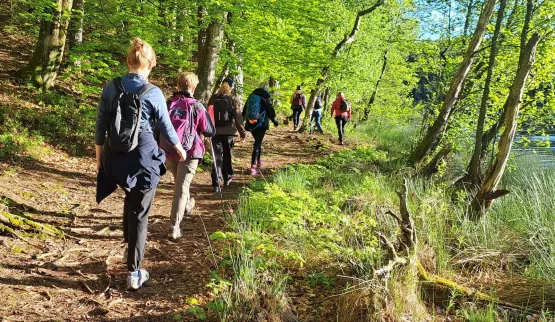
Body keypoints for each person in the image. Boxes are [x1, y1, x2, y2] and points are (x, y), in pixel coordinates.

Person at [95, 38, 187, 290]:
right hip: (143, 157)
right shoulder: (154, 92)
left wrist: (100, 158)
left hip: (114, 154)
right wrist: (179, 148)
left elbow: (101, 123)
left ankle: (129, 244)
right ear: (150, 64)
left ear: (128, 61)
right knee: (140, 211)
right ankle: (134, 272)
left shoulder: (111, 87)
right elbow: (166, 126)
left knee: (129, 196)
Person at [162, 72, 215, 240]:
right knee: (181, 188)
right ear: (193, 87)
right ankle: (174, 227)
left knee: (181, 185)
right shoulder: (196, 105)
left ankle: (186, 206)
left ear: (178, 86)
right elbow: (209, 130)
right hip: (190, 152)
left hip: (169, 151)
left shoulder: (168, 103)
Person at [207, 78, 246, 192]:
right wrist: (242, 133)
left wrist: (207, 131)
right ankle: (227, 178)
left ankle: (216, 183)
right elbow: (238, 117)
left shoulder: (214, 98)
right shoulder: (233, 99)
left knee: (217, 157)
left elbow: (208, 115)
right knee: (227, 155)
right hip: (229, 133)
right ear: (231, 87)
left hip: (215, 133)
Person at [243, 83, 279, 176]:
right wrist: (275, 122)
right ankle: (253, 167)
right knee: (257, 144)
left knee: (258, 142)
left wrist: (242, 120)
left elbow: (245, 109)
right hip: (261, 124)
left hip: (251, 124)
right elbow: (271, 111)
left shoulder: (251, 96)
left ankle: (258, 160)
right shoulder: (265, 98)